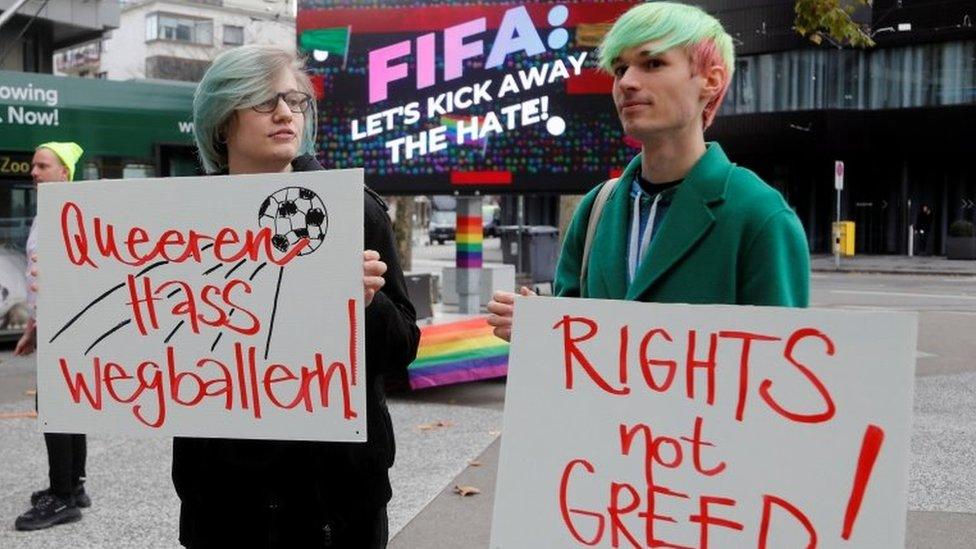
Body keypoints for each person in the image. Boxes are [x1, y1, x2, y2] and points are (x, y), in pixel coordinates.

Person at [172, 45, 420, 548]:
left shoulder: (353, 209)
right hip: (221, 499)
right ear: (222, 120)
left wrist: (367, 304)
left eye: (293, 100)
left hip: (335, 499)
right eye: (263, 101)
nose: (285, 113)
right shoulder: (179, 219)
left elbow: (403, 348)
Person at [488, 2, 809, 341]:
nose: (627, 82)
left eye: (652, 63)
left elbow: (778, 373)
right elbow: (575, 355)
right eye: (620, 68)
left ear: (710, 81)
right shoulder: (596, 208)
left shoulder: (760, 215)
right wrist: (541, 328)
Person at [14, 141, 91, 531]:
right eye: (33, 164)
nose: (33, 171)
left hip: (68, 327)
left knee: (57, 407)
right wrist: (32, 327)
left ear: (64, 172)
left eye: (42, 165)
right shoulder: (48, 213)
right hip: (54, 324)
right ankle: (73, 487)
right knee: (68, 406)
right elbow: (41, 280)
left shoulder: (69, 215)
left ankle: (62, 498)